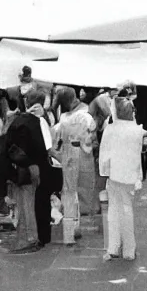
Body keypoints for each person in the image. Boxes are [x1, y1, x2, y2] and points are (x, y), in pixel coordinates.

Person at [3, 87, 54, 252]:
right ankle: (30, 238)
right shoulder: (38, 121)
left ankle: (27, 238)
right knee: (30, 204)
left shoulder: (17, 120)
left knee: (25, 205)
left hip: (20, 167)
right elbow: (46, 147)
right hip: (35, 167)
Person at [100, 96, 145, 261]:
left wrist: (104, 171)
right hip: (130, 173)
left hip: (114, 173)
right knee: (127, 209)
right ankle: (129, 249)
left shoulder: (110, 129)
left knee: (114, 209)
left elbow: (104, 153)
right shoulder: (137, 130)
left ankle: (113, 247)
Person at [53, 86, 93, 245]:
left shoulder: (62, 118)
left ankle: (69, 231)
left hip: (67, 153)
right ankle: (76, 226)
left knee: (69, 193)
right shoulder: (85, 114)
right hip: (83, 153)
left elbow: (55, 138)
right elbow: (92, 131)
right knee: (82, 191)